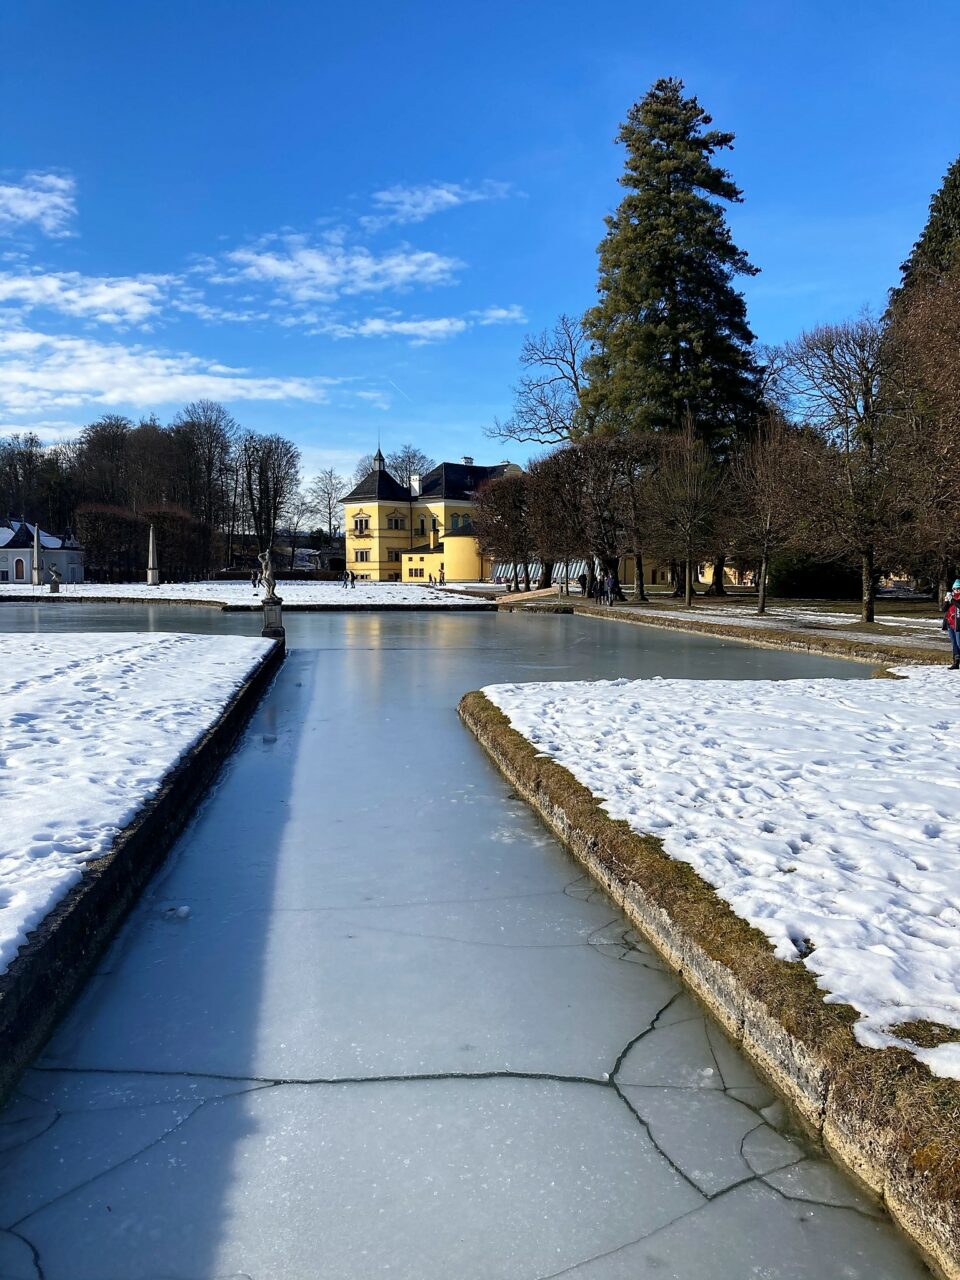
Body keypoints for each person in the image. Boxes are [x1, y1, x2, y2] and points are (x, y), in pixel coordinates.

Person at [943, 580, 960, 669]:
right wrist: (946, 601)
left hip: (958, 624)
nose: (957, 590)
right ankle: (956, 663)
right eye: (955, 588)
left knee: (959, 643)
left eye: (958, 588)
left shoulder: (956, 598)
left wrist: (952, 600)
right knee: (954, 645)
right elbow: (944, 609)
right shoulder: (951, 597)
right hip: (950, 624)